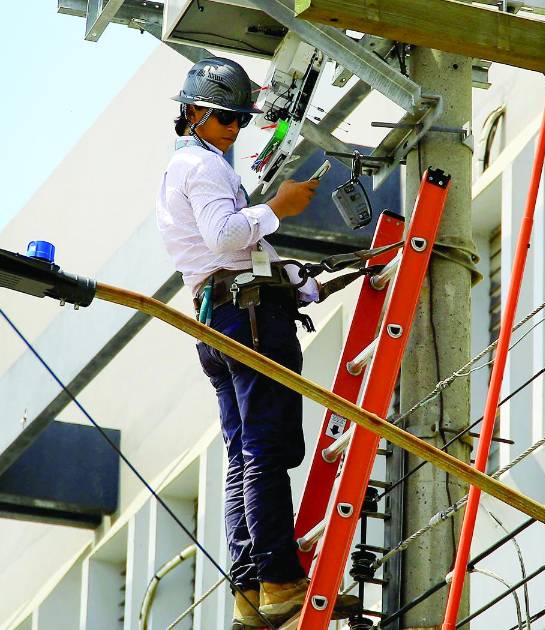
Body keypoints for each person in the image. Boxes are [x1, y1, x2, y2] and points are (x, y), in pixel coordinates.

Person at [154, 57, 357, 628]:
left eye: (240, 120)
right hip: (247, 321)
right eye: (225, 117)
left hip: (218, 319)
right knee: (267, 450)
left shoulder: (182, 168)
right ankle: (281, 581)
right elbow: (225, 236)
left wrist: (292, 277)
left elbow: (225, 254)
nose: (233, 128)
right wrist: (278, 208)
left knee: (245, 455)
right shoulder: (204, 167)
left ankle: (250, 590)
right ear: (193, 112)